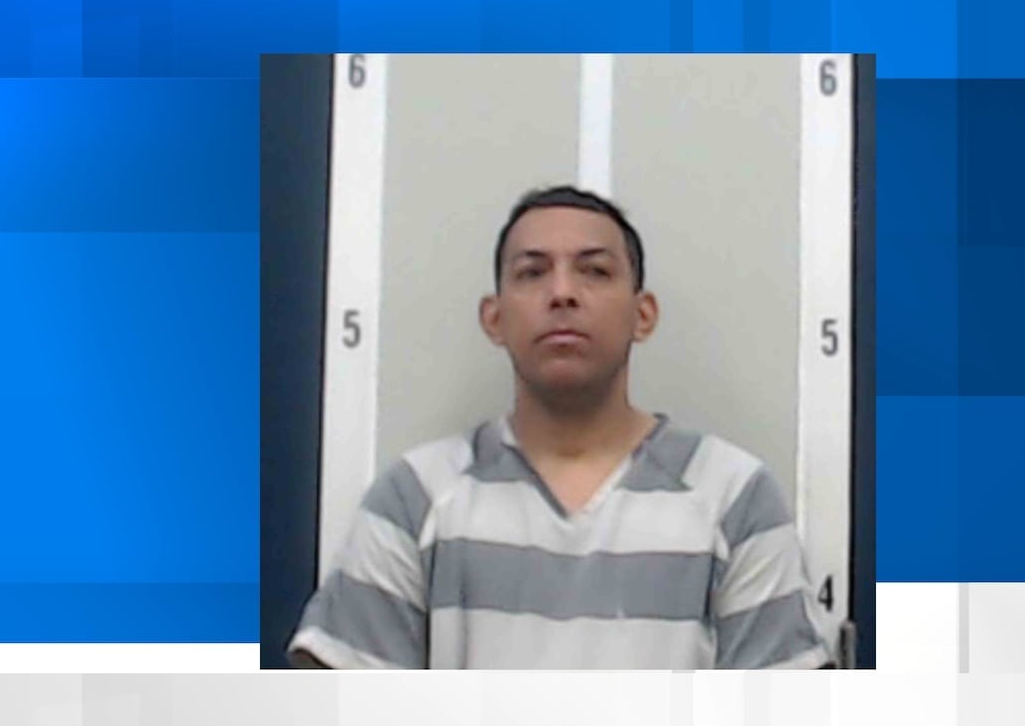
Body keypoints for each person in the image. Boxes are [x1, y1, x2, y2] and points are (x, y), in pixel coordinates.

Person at [287, 185, 831, 669]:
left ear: (643, 315)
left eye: (595, 271)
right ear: (494, 318)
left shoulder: (734, 496)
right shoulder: (416, 496)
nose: (562, 293)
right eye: (532, 272)